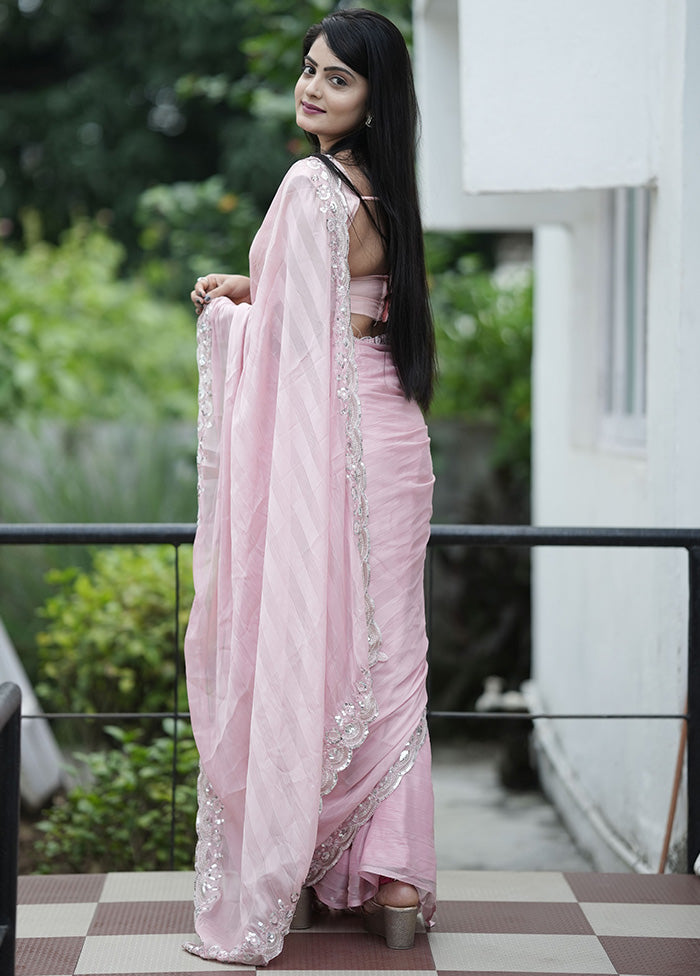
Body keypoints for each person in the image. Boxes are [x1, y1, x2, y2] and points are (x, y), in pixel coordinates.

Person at [183, 8, 437, 966]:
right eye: (309, 68)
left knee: (313, 646)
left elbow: (295, 347)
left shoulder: (308, 184)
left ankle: (294, 871)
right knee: (388, 663)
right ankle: (394, 884)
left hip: (335, 447)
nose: (311, 88)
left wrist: (233, 316)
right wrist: (254, 294)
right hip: (394, 439)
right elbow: (344, 314)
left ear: (372, 101)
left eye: (336, 79)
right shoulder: (389, 191)